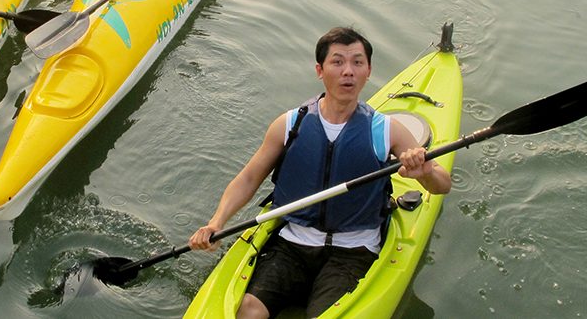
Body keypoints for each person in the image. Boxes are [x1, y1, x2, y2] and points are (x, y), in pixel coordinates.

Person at [188, 27, 452, 319]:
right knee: (248, 311)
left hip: (354, 249)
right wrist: (216, 222)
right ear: (320, 70)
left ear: (368, 71)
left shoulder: (386, 130)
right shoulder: (290, 124)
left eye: (357, 62)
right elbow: (249, 178)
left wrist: (424, 170)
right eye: (337, 62)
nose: (347, 71)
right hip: (292, 243)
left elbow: (441, 184)